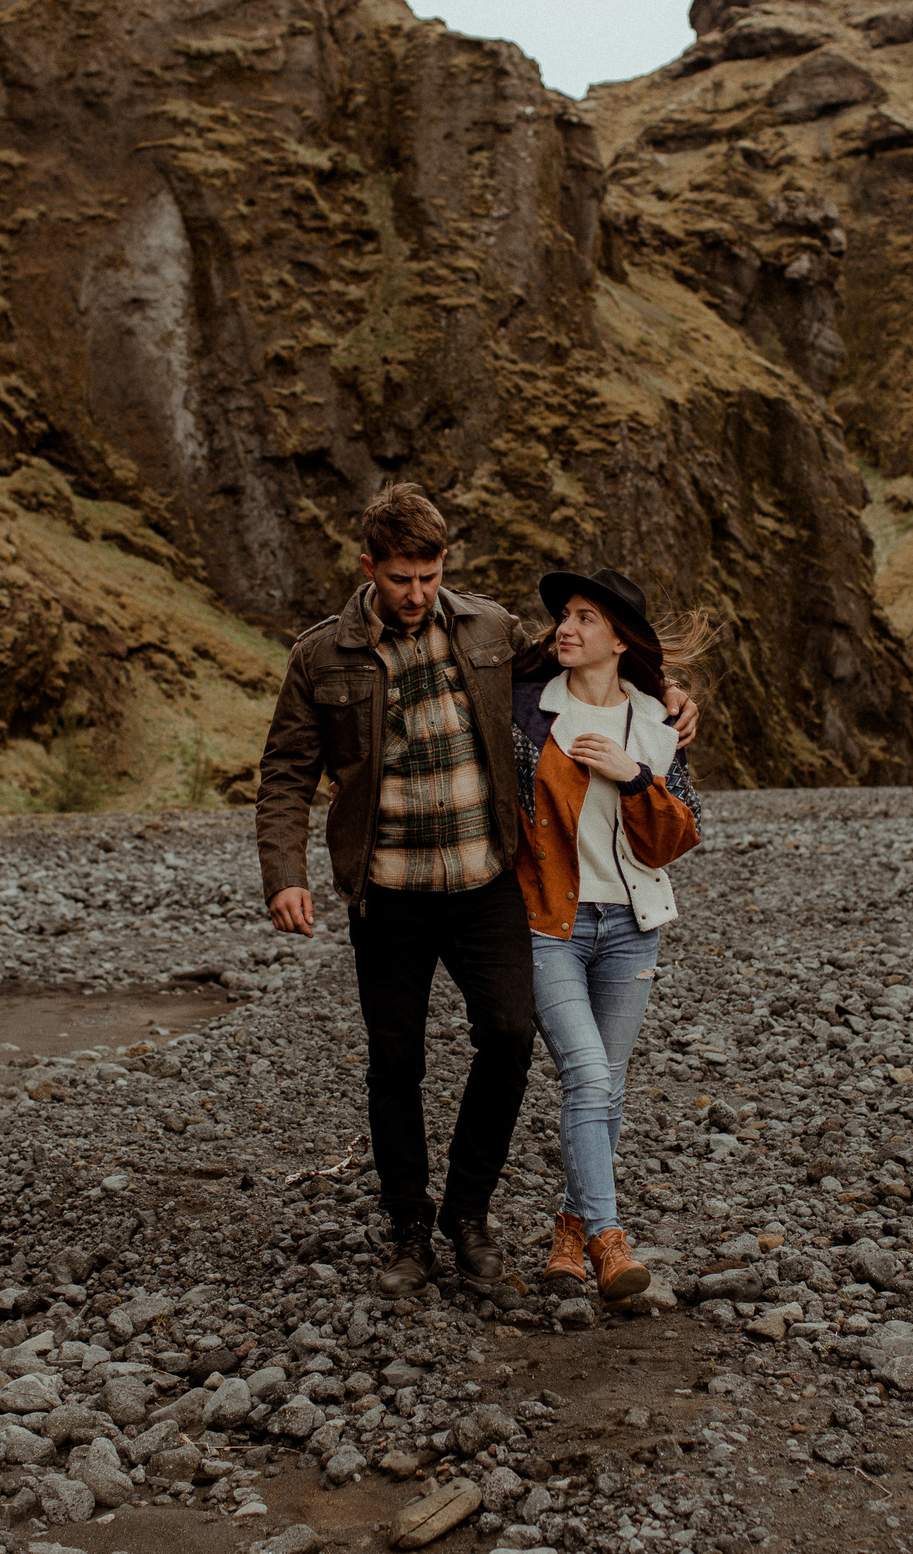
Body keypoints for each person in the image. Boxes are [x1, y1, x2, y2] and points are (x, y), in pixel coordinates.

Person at [255, 486, 698, 1297]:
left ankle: (468, 1211)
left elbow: (584, 663)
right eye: (399, 578)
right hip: (385, 893)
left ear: (444, 564)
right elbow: (286, 771)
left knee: (508, 1035)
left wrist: (661, 696)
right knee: (396, 1062)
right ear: (368, 569)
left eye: (428, 574)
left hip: (487, 884)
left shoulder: (491, 630)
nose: (416, 593)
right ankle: (408, 1227)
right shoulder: (322, 656)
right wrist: (284, 875)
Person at [508, 568, 707, 1301]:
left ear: (620, 639)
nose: (566, 627)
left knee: (608, 1090)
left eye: (586, 618)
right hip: (549, 923)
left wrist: (633, 777)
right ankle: (609, 1238)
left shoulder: (658, 723)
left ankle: (568, 1231)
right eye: (564, 615)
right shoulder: (528, 715)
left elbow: (676, 837)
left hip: (632, 929)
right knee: (588, 1076)